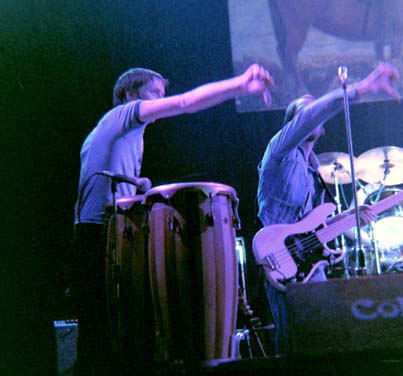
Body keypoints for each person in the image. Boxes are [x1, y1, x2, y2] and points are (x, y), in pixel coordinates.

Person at [72, 64, 273, 375]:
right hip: (101, 235)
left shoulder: (112, 132)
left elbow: (101, 183)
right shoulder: (123, 115)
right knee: (104, 337)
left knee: (106, 335)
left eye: (160, 94)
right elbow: (185, 102)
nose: (159, 99)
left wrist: (138, 186)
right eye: (154, 92)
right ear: (129, 93)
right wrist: (239, 84)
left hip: (96, 232)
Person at [256, 62, 401, 355]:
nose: (314, 116)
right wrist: (357, 90)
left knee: (323, 340)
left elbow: (312, 225)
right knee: (294, 344)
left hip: (308, 261)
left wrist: (351, 216)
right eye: (307, 113)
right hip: (281, 261)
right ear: (294, 124)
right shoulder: (279, 151)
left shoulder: (313, 170)